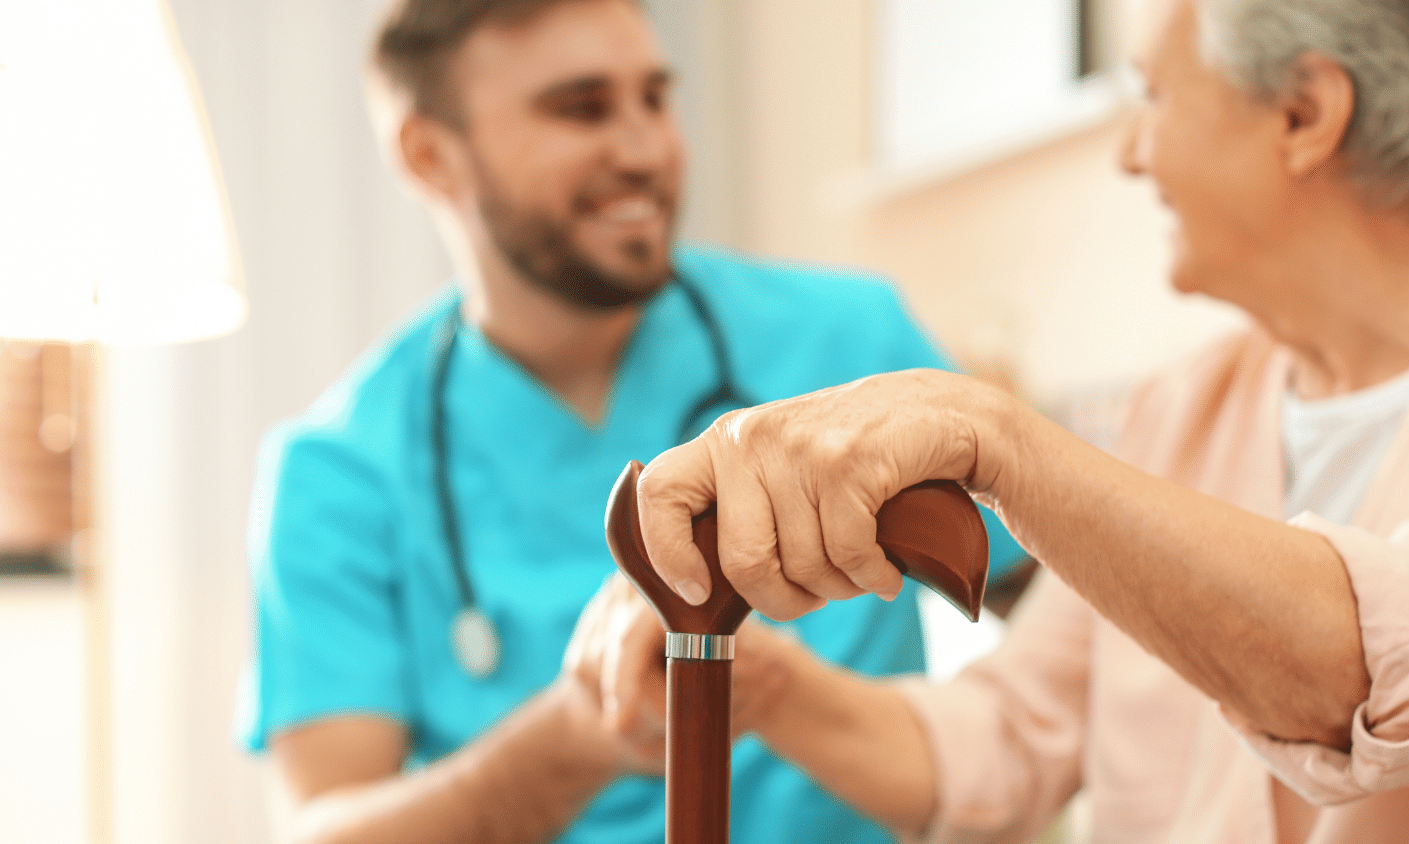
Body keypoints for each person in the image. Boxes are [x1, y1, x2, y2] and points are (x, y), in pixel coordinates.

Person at [601, 0, 1409, 841]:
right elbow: (1006, 734)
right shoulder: (1184, 407)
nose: (1130, 156)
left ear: (1304, 114)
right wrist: (765, 684)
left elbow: (1383, 663)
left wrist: (995, 437)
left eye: (1152, 98)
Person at [235, 1, 1029, 843]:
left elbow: (1087, 624)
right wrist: (577, 733)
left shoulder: (855, 346)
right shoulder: (337, 473)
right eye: (581, 108)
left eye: (655, 98)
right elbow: (326, 830)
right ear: (430, 154)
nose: (646, 150)